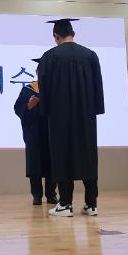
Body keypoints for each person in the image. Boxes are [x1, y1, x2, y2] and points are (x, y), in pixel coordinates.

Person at [38, 19, 104, 218]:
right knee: (88, 156)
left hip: (60, 116)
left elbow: (44, 88)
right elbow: (98, 86)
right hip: (86, 116)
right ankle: (91, 204)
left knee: (62, 156)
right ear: (73, 33)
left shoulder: (50, 56)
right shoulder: (90, 55)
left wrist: (45, 112)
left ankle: (65, 204)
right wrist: (95, 109)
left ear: (56, 36)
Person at [13, 58, 57, 206]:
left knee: (52, 164)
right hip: (34, 133)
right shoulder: (28, 89)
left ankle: (51, 194)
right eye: (41, 71)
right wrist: (29, 106)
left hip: (52, 133)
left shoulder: (55, 89)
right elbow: (17, 107)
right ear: (37, 72)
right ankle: (36, 195)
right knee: (35, 164)